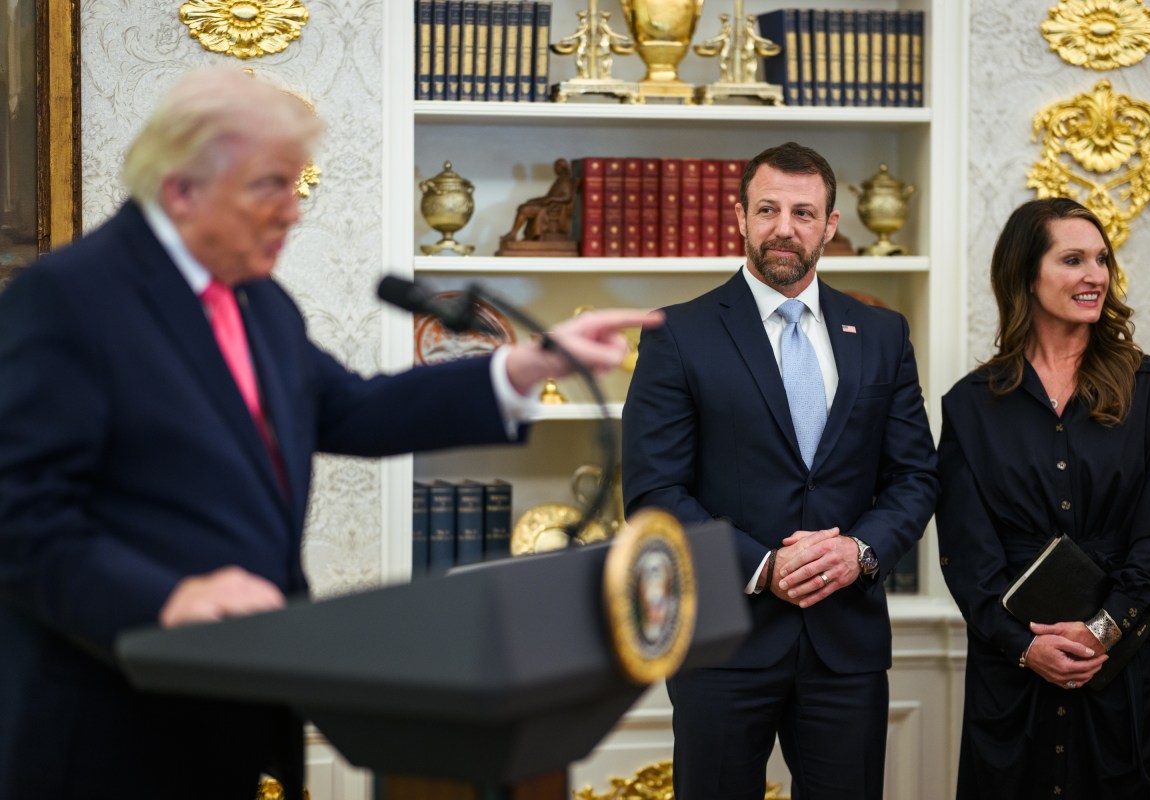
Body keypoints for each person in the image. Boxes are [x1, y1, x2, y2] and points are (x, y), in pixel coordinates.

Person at [0, 66, 659, 800]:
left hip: (228, 703)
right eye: (269, 186)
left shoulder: (260, 304)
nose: (292, 211)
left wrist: (523, 365)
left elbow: (352, 409)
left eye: (295, 185)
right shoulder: (69, 298)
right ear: (183, 189)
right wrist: (166, 598)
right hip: (102, 719)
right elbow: (20, 516)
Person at [622, 141, 938, 800]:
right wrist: (764, 566)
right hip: (723, 644)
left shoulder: (882, 335)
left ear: (830, 226)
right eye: (767, 209)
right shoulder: (678, 334)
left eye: (802, 212)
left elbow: (915, 476)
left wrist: (860, 551)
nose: (784, 227)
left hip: (846, 644)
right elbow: (655, 493)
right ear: (739, 217)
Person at [935, 197, 1150, 799]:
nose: (1095, 276)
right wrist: (1027, 647)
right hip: (1011, 669)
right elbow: (968, 556)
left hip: (1119, 666)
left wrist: (1101, 631)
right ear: (1025, 275)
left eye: (1102, 260)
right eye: (1073, 259)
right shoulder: (970, 405)